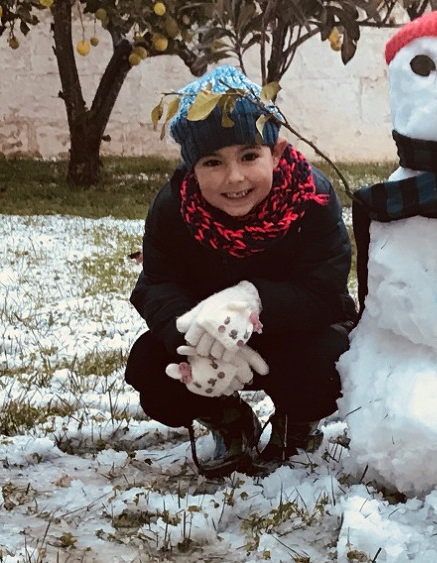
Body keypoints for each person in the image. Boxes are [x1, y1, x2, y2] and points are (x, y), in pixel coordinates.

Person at [125, 66, 357, 477]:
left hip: (292, 337)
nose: (234, 178)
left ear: (277, 153)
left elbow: (323, 292)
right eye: (213, 162)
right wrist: (196, 339)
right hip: (210, 340)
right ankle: (229, 420)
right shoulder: (173, 210)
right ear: (191, 170)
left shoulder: (313, 201)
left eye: (249, 156)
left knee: (332, 362)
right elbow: (157, 283)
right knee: (150, 367)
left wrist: (252, 304)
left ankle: (297, 423)